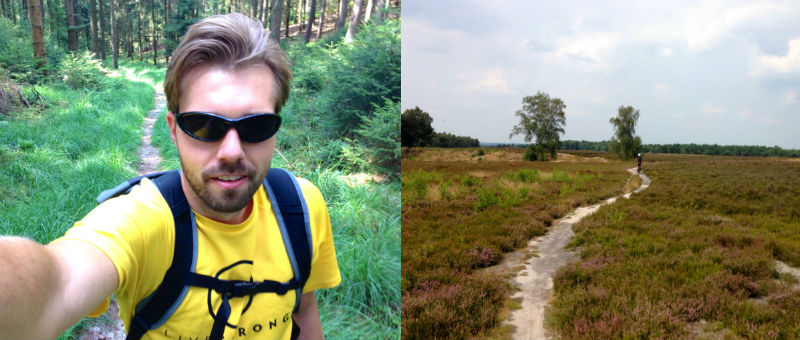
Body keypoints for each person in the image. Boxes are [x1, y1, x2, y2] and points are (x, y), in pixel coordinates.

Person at [0, 13, 340, 340]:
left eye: (257, 125)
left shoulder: (302, 208)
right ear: (174, 131)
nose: (232, 151)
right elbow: (57, 281)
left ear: (275, 131)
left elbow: (304, 309)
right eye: (204, 125)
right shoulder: (142, 222)